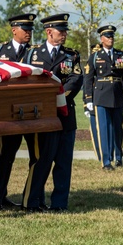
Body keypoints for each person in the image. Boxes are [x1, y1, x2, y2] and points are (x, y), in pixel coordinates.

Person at [23, 13, 82, 212]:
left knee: (63, 162)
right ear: (49, 32)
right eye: (61, 31)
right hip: (41, 115)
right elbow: (26, 78)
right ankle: (34, 201)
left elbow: (75, 80)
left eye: (66, 31)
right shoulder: (33, 54)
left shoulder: (71, 55)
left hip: (65, 114)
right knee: (41, 160)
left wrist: (60, 98)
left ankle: (59, 203)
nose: (64, 34)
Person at [0, 12, 35, 210]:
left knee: (20, 156)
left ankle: (12, 197)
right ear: (14, 30)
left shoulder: (35, 52)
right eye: (25, 30)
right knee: (2, 156)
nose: (29, 34)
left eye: (31, 30)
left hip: (29, 110)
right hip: (6, 112)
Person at [85, 24, 123, 172]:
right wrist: (88, 100)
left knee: (118, 128)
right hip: (101, 95)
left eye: (112, 36)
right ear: (101, 38)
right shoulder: (95, 56)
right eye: (107, 36)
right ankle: (106, 161)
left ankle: (118, 157)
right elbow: (88, 79)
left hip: (117, 94)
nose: (111, 39)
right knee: (103, 129)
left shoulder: (120, 55)